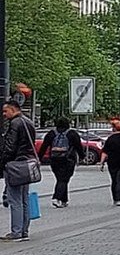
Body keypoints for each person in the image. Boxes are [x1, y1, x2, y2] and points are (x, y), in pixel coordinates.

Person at [0, 100, 36, 241]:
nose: (4, 114)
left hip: (15, 165)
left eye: (5, 111)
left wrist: (3, 163)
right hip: (27, 164)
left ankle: (16, 232)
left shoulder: (15, 123)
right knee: (24, 198)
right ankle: (24, 231)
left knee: (14, 199)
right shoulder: (28, 122)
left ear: (13, 109)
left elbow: (10, 147)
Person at [37, 117, 85, 208]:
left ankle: (64, 200)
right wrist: (82, 157)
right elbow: (79, 146)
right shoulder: (72, 134)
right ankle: (56, 198)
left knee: (60, 179)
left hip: (54, 160)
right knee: (64, 179)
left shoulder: (51, 134)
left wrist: (39, 158)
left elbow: (44, 146)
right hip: (68, 160)